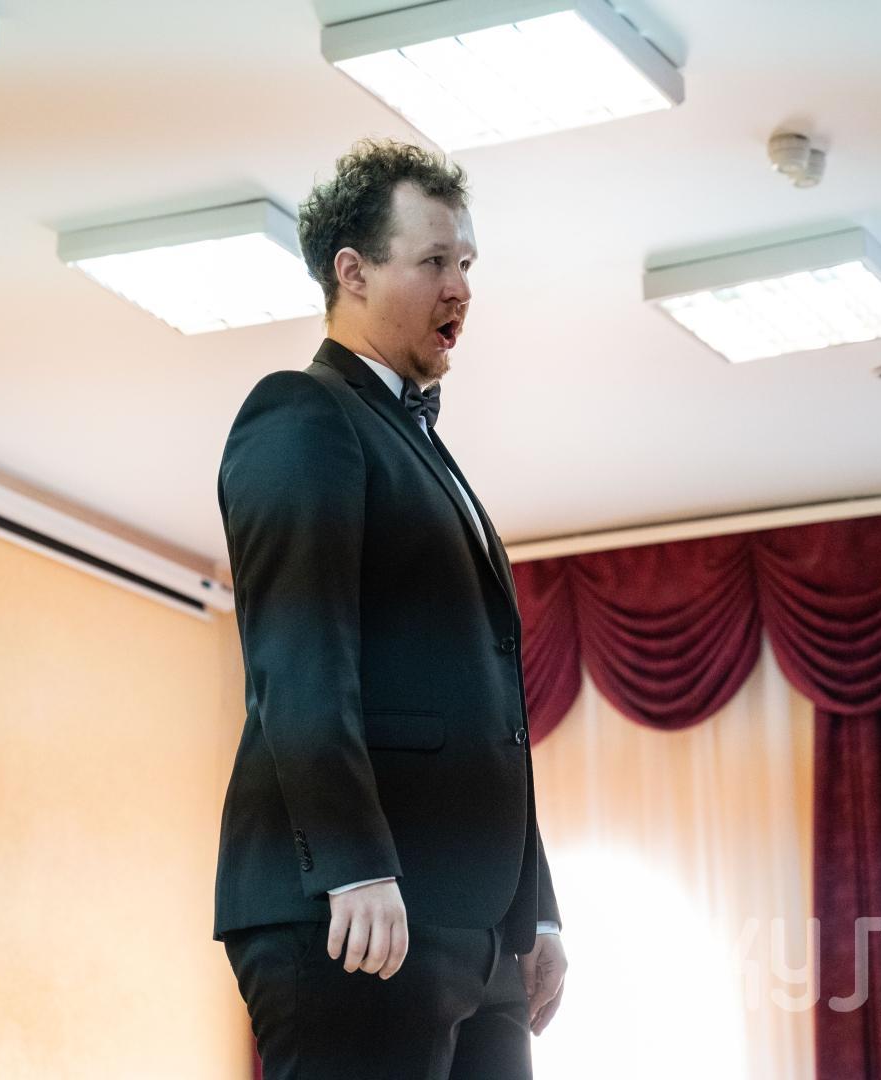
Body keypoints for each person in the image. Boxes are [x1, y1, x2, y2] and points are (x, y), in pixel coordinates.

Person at [213, 138, 568, 1079]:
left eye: (467, 264)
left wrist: (535, 912)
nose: (460, 289)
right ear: (353, 272)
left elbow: (491, 715)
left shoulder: (420, 445)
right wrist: (352, 863)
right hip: (357, 912)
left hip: (475, 928)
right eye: (434, 261)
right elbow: (297, 658)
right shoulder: (300, 413)